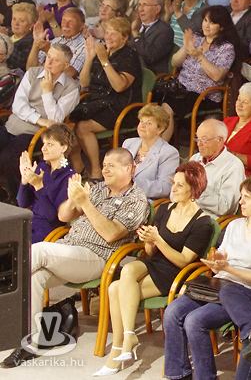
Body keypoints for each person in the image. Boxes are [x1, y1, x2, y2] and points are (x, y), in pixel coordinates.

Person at [1, 148, 149, 368]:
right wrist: (73, 200)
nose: (105, 170)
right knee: (34, 277)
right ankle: (29, 344)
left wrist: (86, 204)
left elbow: (111, 234)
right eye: (104, 165)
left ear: (128, 168)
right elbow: (63, 216)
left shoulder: (136, 199)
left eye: (111, 166)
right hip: (69, 249)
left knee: (39, 251)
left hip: (97, 256)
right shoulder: (99, 189)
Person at [162, 174, 251, 380]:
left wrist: (230, 269)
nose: (240, 202)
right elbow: (222, 256)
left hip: (243, 293)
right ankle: (178, 374)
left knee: (194, 321)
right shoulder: (235, 225)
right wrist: (216, 262)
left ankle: (205, 377)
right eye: (241, 196)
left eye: (246, 197)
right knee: (172, 312)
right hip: (217, 284)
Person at [96, 161, 214, 375]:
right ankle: (129, 336)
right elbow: (150, 253)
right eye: (174, 183)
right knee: (127, 271)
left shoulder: (202, 223)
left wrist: (158, 240)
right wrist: (149, 241)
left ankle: (117, 351)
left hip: (176, 274)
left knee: (115, 289)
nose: (173, 188)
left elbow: (184, 261)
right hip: (155, 263)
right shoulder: (164, 209)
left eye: (180, 185)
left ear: (194, 190)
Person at [70, 18, 141, 181]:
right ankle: (79, 168)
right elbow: (84, 83)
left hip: (121, 106)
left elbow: (119, 86)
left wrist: (104, 61)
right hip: (98, 103)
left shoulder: (130, 56)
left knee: (83, 127)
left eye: (114, 34)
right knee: (69, 124)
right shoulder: (103, 52)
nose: (108, 37)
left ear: (124, 38)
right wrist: (89, 58)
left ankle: (96, 171)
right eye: (107, 32)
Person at [160, 6, 238, 141]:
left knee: (167, 107)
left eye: (212, 23)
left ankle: (161, 148)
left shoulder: (226, 48)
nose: (206, 25)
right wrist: (186, 47)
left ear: (222, 27)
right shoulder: (197, 38)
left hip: (204, 95)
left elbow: (217, 76)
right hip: (181, 88)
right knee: (154, 103)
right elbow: (175, 62)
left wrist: (200, 57)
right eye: (205, 20)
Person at [16, 123, 77, 242]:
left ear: (63, 147)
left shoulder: (69, 177)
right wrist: (24, 180)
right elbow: (23, 204)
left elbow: (54, 218)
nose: (43, 148)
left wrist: (39, 187)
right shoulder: (42, 167)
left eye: (50, 144)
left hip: (48, 231)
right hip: (29, 223)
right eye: (44, 143)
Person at [119, 104, 179, 203]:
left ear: (160, 129)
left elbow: (165, 187)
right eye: (141, 121)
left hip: (143, 201)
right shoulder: (128, 143)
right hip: (119, 195)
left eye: (149, 123)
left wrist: (131, 184)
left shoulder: (169, 153)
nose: (142, 126)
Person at [187, 119, 247, 218]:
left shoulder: (233, 166)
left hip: (209, 220)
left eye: (204, 139)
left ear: (220, 140)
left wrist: (194, 192)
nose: (199, 144)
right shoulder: (195, 159)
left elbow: (225, 206)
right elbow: (174, 195)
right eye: (197, 139)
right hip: (185, 214)